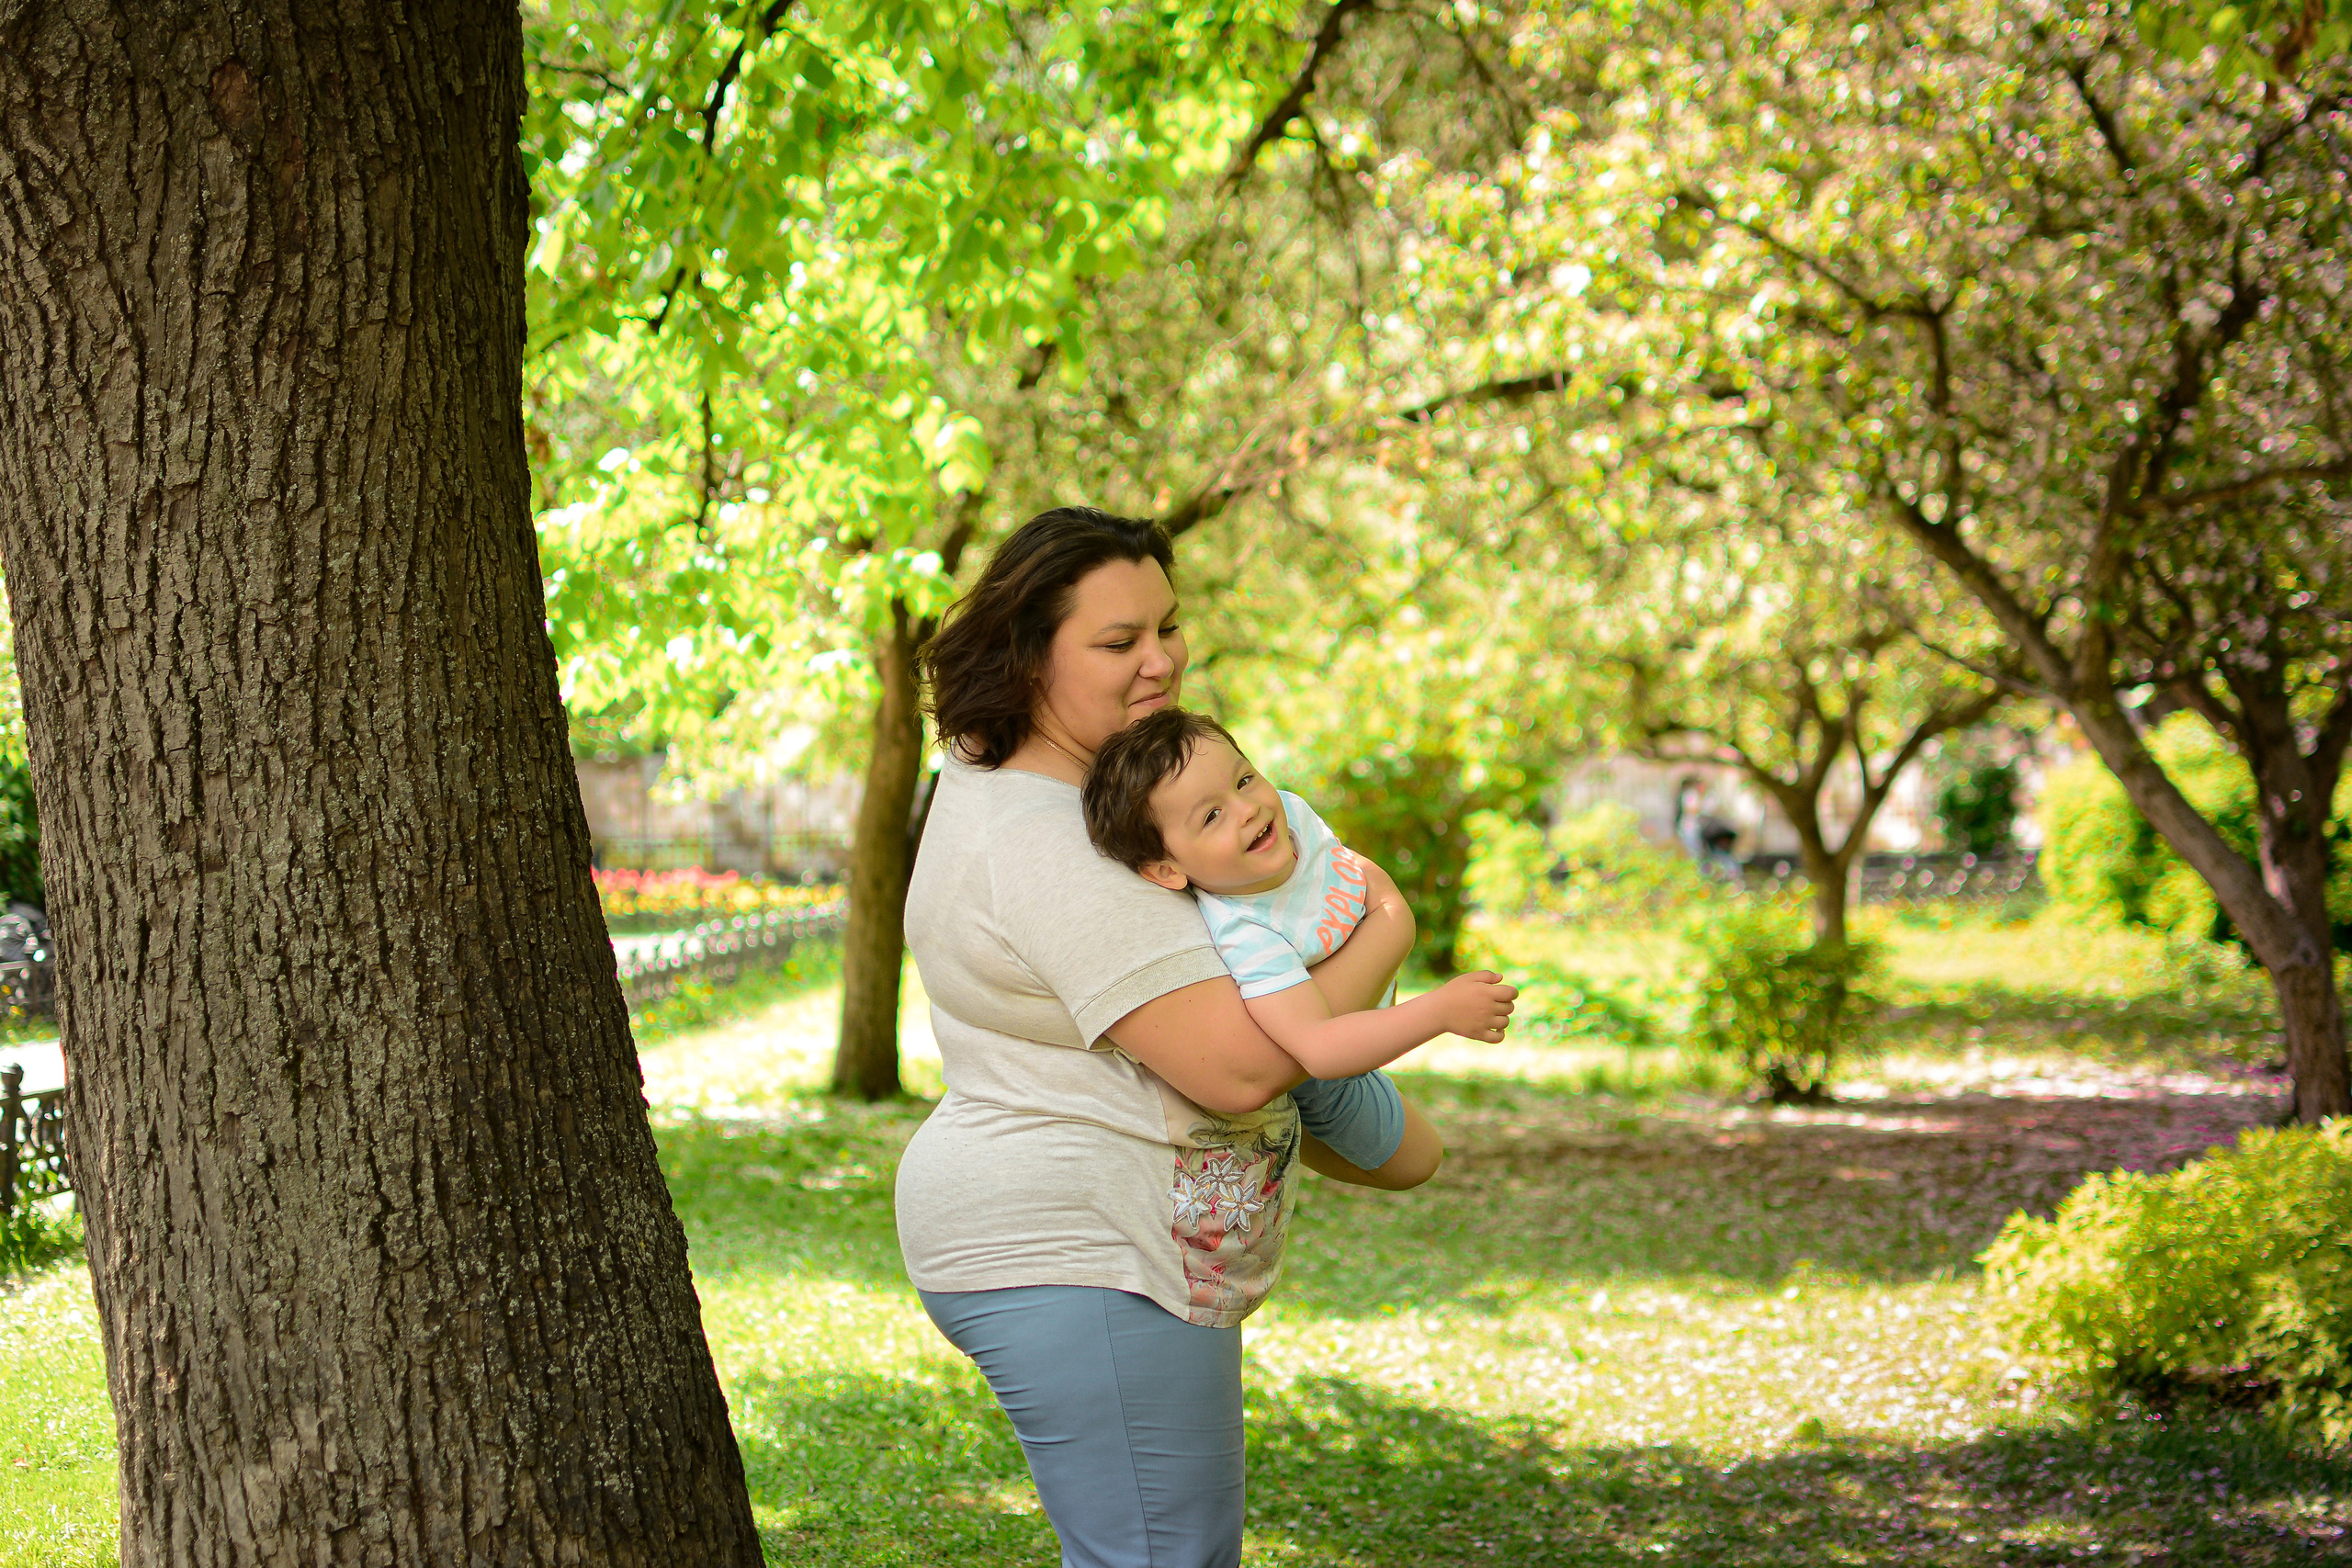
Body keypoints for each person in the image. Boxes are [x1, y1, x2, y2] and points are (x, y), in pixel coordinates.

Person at [898, 505, 1441, 1568]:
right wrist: (1384, 931)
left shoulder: (1064, 789)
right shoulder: (1040, 835)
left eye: (1168, 626)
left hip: (1099, 1241)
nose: (1161, 662)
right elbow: (1237, 1064)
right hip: (1078, 1251)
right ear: (1026, 657)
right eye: (1116, 643)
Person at [1082, 706, 1516, 1077]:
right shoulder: (1247, 932)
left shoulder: (1289, 816)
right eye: (1212, 815)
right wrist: (1439, 1012)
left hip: (1369, 1026)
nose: (1248, 808)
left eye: (1244, 780)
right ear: (1167, 869)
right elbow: (1320, 1049)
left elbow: (1351, 870)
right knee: (1413, 1159)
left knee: (1420, 1155)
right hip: (1332, 1073)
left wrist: (1384, 904)